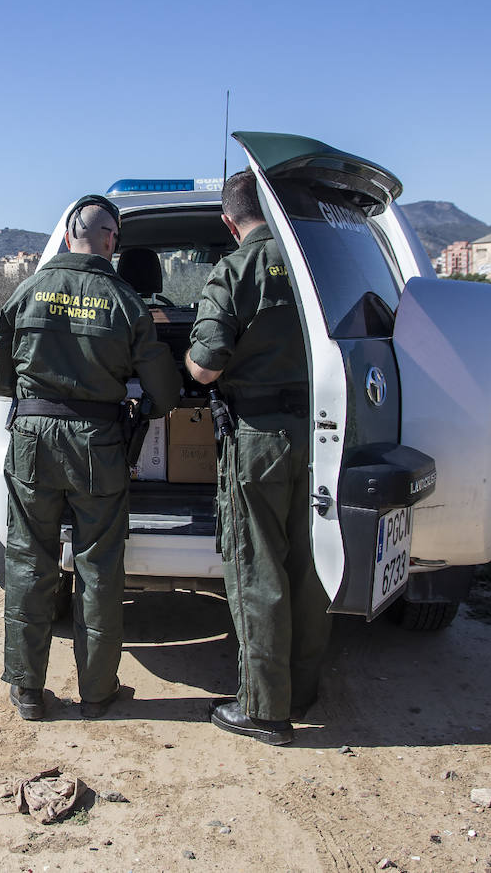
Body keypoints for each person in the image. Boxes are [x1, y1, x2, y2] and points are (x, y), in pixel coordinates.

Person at [0, 196, 180, 721]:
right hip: (96, 446)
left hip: (32, 441)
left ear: (71, 234)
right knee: (99, 568)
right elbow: (163, 391)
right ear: (111, 238)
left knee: (30, 562)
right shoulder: (124, 300)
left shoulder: (25, 291)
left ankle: (27, 691)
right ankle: (97, 693)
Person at [185, 169, 330, 746]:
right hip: (323, 431)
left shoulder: (236, 269)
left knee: (257, 566)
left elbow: (205, 365)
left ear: (228, 220)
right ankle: (302, 685)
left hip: (260, 436)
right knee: (308, 563)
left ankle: (265, 710)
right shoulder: (314, 262)